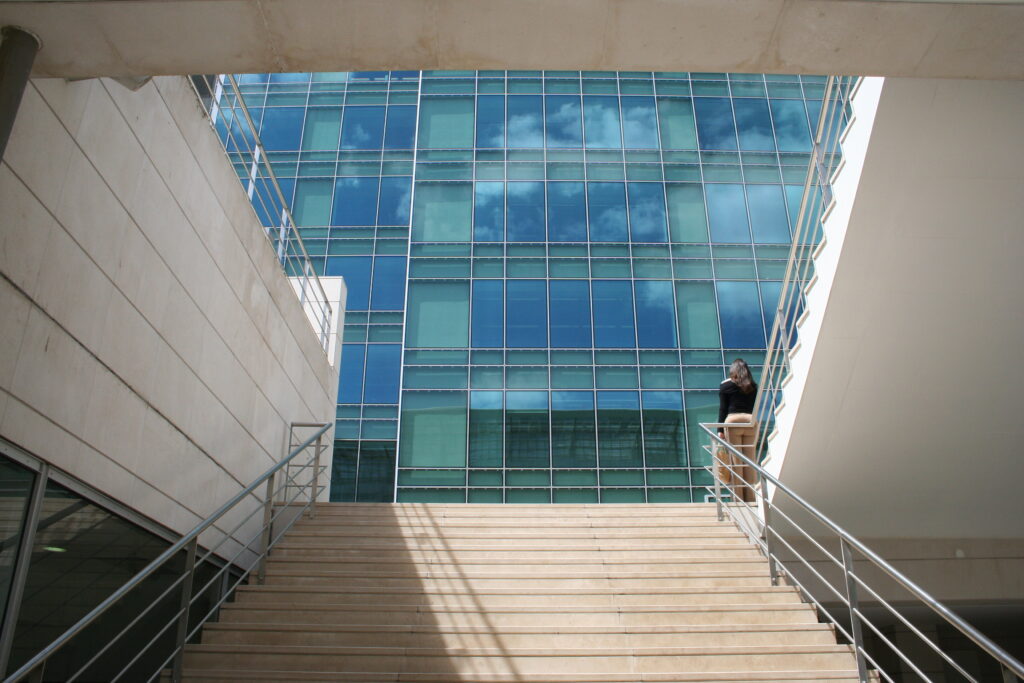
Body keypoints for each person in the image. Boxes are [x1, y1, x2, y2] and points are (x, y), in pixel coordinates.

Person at [717, 358, 758, 503]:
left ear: (732, 371)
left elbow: (723, 409)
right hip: (750, 421)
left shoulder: (726, 385)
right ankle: (751, 497)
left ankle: (738, 499)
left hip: (733, 420)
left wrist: (720, 429)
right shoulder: (752, 385)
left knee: (736, 461)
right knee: (749, 460)